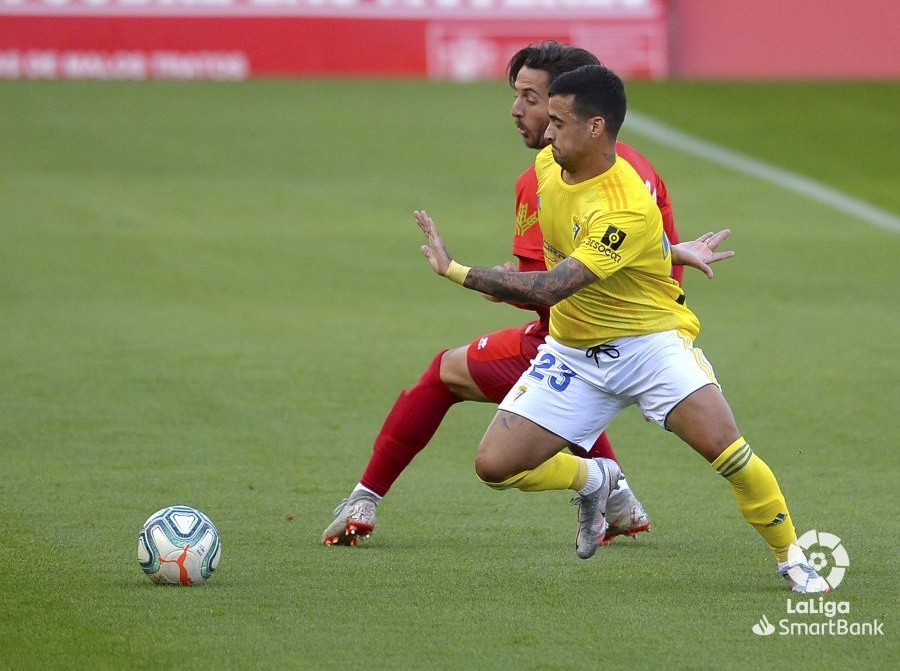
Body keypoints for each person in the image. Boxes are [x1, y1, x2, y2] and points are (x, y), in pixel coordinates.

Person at [414, 64, 828, 593]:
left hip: (649, 347)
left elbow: (552, 287)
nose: (545, 129)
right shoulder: (547, 167)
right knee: (495, 466)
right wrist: (676, 249)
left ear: (595, 127)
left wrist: (456, 270)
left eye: (558, 121)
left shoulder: (626, 202)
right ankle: (596, 478)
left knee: (729, 452)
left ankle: (793, 557)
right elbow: (598, 255)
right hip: (573, 353)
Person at [322, 42, 727, 549]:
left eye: (533, 98)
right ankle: (619, 497)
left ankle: (365, 498)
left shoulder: (548, 179)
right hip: (648, 327)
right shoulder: (628, 163)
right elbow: (629, 253)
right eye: (517, 96)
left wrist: (496, 281)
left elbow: (551, 293)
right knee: (566, 388)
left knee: (452, 373)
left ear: (568, 104)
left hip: (594, 333)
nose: (518, 110)